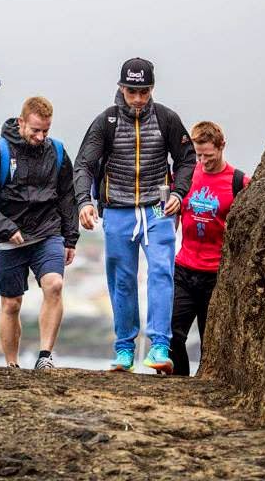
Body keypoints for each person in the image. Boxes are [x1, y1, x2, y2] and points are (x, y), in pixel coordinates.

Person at [73, 58, 195, 373]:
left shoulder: (167, 119)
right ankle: (125, 349)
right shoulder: (106, 121)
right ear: (121, 88)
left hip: (157, 208)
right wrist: (84, 202)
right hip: (118, 209)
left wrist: (179, 194)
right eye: (131, 91)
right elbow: (84, 164)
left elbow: (186, 158)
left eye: (143, 91)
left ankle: (158, 347)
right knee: (122, 280)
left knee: (160, 273)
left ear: (151, 88)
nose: (138, 98)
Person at [0, 96, 79, 370]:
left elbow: (67, 196)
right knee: (11, 304)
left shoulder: (56, 152)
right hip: (9, 237)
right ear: (21, 122)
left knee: (54, 285)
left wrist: (71, 238)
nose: (40, 136)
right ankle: (12, 365)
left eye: (46, 130)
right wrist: (5, 228)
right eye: (35, 130)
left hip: (47, 232)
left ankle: (45, 357)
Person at [170, 121, 249, 376]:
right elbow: (168, 213)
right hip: (183, 268)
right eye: (199, 155)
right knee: (171, 335)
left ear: (222, 146)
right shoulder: (186, 175)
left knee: (211, 342)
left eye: (209, 155)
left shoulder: (239, 182)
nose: (203, 161)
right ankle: (178, 387)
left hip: (214, 276)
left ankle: (203, 387)